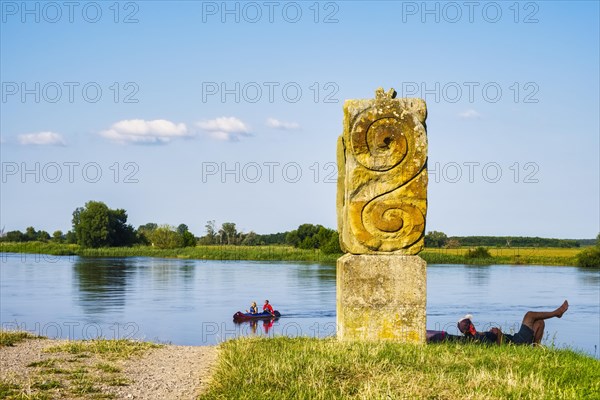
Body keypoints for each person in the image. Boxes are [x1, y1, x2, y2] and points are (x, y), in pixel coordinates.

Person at [457, 300, 569, 345]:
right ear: (470, 326)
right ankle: (557, 313)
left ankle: (536, 348)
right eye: (470, 324)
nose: (472, 325)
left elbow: (486, 337)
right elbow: (499, 347)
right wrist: (499, 333)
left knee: (539, 322)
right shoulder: (477, 340)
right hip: (517, 342)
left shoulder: (476, 336)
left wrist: (492, 332)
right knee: (529, 315)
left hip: (515, 338)